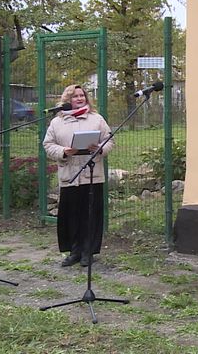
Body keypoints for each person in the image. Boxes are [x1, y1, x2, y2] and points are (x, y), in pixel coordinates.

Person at [43, 85, 114, 267]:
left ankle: (88, 252)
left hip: (92, 175)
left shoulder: (96, 119)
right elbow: (48, 144)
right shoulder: (57, 122)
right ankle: (74, 251)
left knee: (90, 215)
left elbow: (109, 141)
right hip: (69, 175)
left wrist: (100, 149)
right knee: (71, 215)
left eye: (82, 95)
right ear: (68, 100)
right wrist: (64, 151)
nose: (80, 98)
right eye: (75, 96)